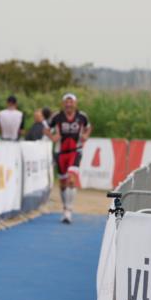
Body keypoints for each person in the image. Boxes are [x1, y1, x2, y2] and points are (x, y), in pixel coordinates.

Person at [46, 93, 91, 224]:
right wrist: (52, 137)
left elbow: (88, 127)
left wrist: (85, 135)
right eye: (66, 102)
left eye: (71, 102)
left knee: (71, 179)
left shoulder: (82, 116)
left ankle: (68, 210)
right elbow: (46, 129)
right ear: (63, 103)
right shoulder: (57, 116)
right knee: (62, 183)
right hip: (60, 152)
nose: (69, 104)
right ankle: (65, 207)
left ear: (75, 103)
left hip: (76, 151)